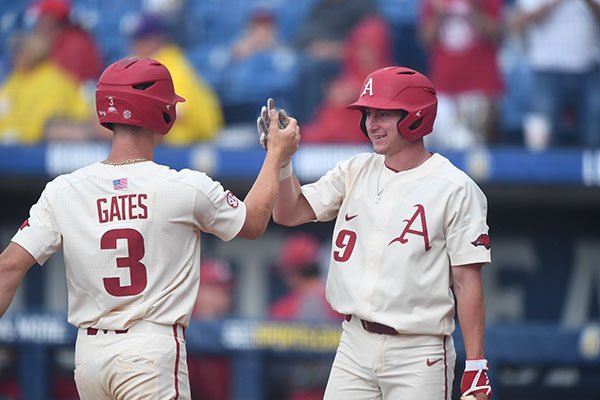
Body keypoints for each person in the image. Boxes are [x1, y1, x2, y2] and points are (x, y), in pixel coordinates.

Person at [0, 56, 300, 399]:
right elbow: (253, 222)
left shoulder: (63, 190)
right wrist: (276, 154)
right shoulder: (183, 186)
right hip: (149, 350)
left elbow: (8, 266)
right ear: (160, 113)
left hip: (88, 356)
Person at [265, 66, 493, 399]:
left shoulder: (455, 187)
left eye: (383, 114)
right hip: (354, 342)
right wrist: (282, 161)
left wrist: (476, 363)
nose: (372, 124)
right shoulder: (355, 169)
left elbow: (466, 280)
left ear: (416, 117)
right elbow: (287, 212)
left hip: (419, 351)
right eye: (369, 114)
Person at [510, 0, 600, 149]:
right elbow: (517, 23)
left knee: (593, 137)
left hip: (588, 68)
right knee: (541, 143)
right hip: (546, 69)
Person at [420, 0, 504, 149]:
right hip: (444, 85)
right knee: (443, 147)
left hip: (478, 85)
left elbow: (494, 34)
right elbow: (426, 38)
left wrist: (476, 7)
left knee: (474, 147)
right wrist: (439, 12)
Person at [268, 233, 343, 400]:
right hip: (342, 391)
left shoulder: (282, 309)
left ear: (290, 272)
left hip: (300, 393)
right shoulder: (342, 303)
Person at [129, 13, 224, 145]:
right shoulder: (137, 64)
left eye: (144, 39)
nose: (137, 45)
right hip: (167, 141)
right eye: (135, 40)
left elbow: (178, 112)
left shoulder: (173, 63)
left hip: (193, 142)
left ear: (158, 39)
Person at [301, 15, 393, 143]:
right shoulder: (351, 70)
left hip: (363, 132)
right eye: (360, 48)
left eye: (370, 49)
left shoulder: (389, 75)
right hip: (335, 132)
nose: (364, 54)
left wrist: (357, 92)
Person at [0, 32, 92, 143]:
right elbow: (4, 110)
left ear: (33, 53)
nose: (15, 56)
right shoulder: (15, 79)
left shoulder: (54, 81)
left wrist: (19, 136)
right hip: (19, 142)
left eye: (20, 52)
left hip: (58, 142)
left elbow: (43, 122)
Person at [189, 258, 236, 400]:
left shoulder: (233, 330)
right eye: (212, 290)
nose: (220, 300)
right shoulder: (181, 328)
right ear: (196, 291)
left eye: (225, 293)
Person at [28, 0, 103, 83]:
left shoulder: (74, 45)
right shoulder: (58, 42)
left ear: (52, 21)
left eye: (41, 18)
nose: (38, 25)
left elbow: (65, 84)